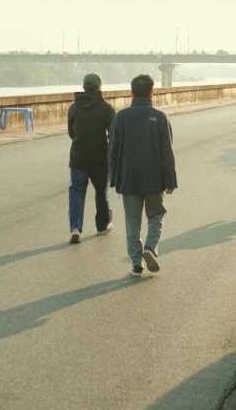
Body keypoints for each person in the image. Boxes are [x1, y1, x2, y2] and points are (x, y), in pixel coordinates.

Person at [108, 74, 177, 276]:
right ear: (151, 92)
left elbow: (112, 151)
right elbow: (167, 153)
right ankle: (150, 247)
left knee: (132, 222)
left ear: (131, 93)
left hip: (128, 178)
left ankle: (136, 264)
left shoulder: (121, 117)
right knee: (156, 215)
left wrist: (114, 179)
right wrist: (170, 181)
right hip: (154, 179)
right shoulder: (160, 117)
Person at [67, 73, 115, 243]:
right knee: (101, 192)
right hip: (100, 157)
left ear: (84, 87)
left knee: (76, 192)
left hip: (78, 157)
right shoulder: (105, 108)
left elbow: (71, 133)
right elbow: (113, 133)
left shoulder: (74, 107)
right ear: (98, 87)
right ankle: (102, 226)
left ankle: (75, 227)